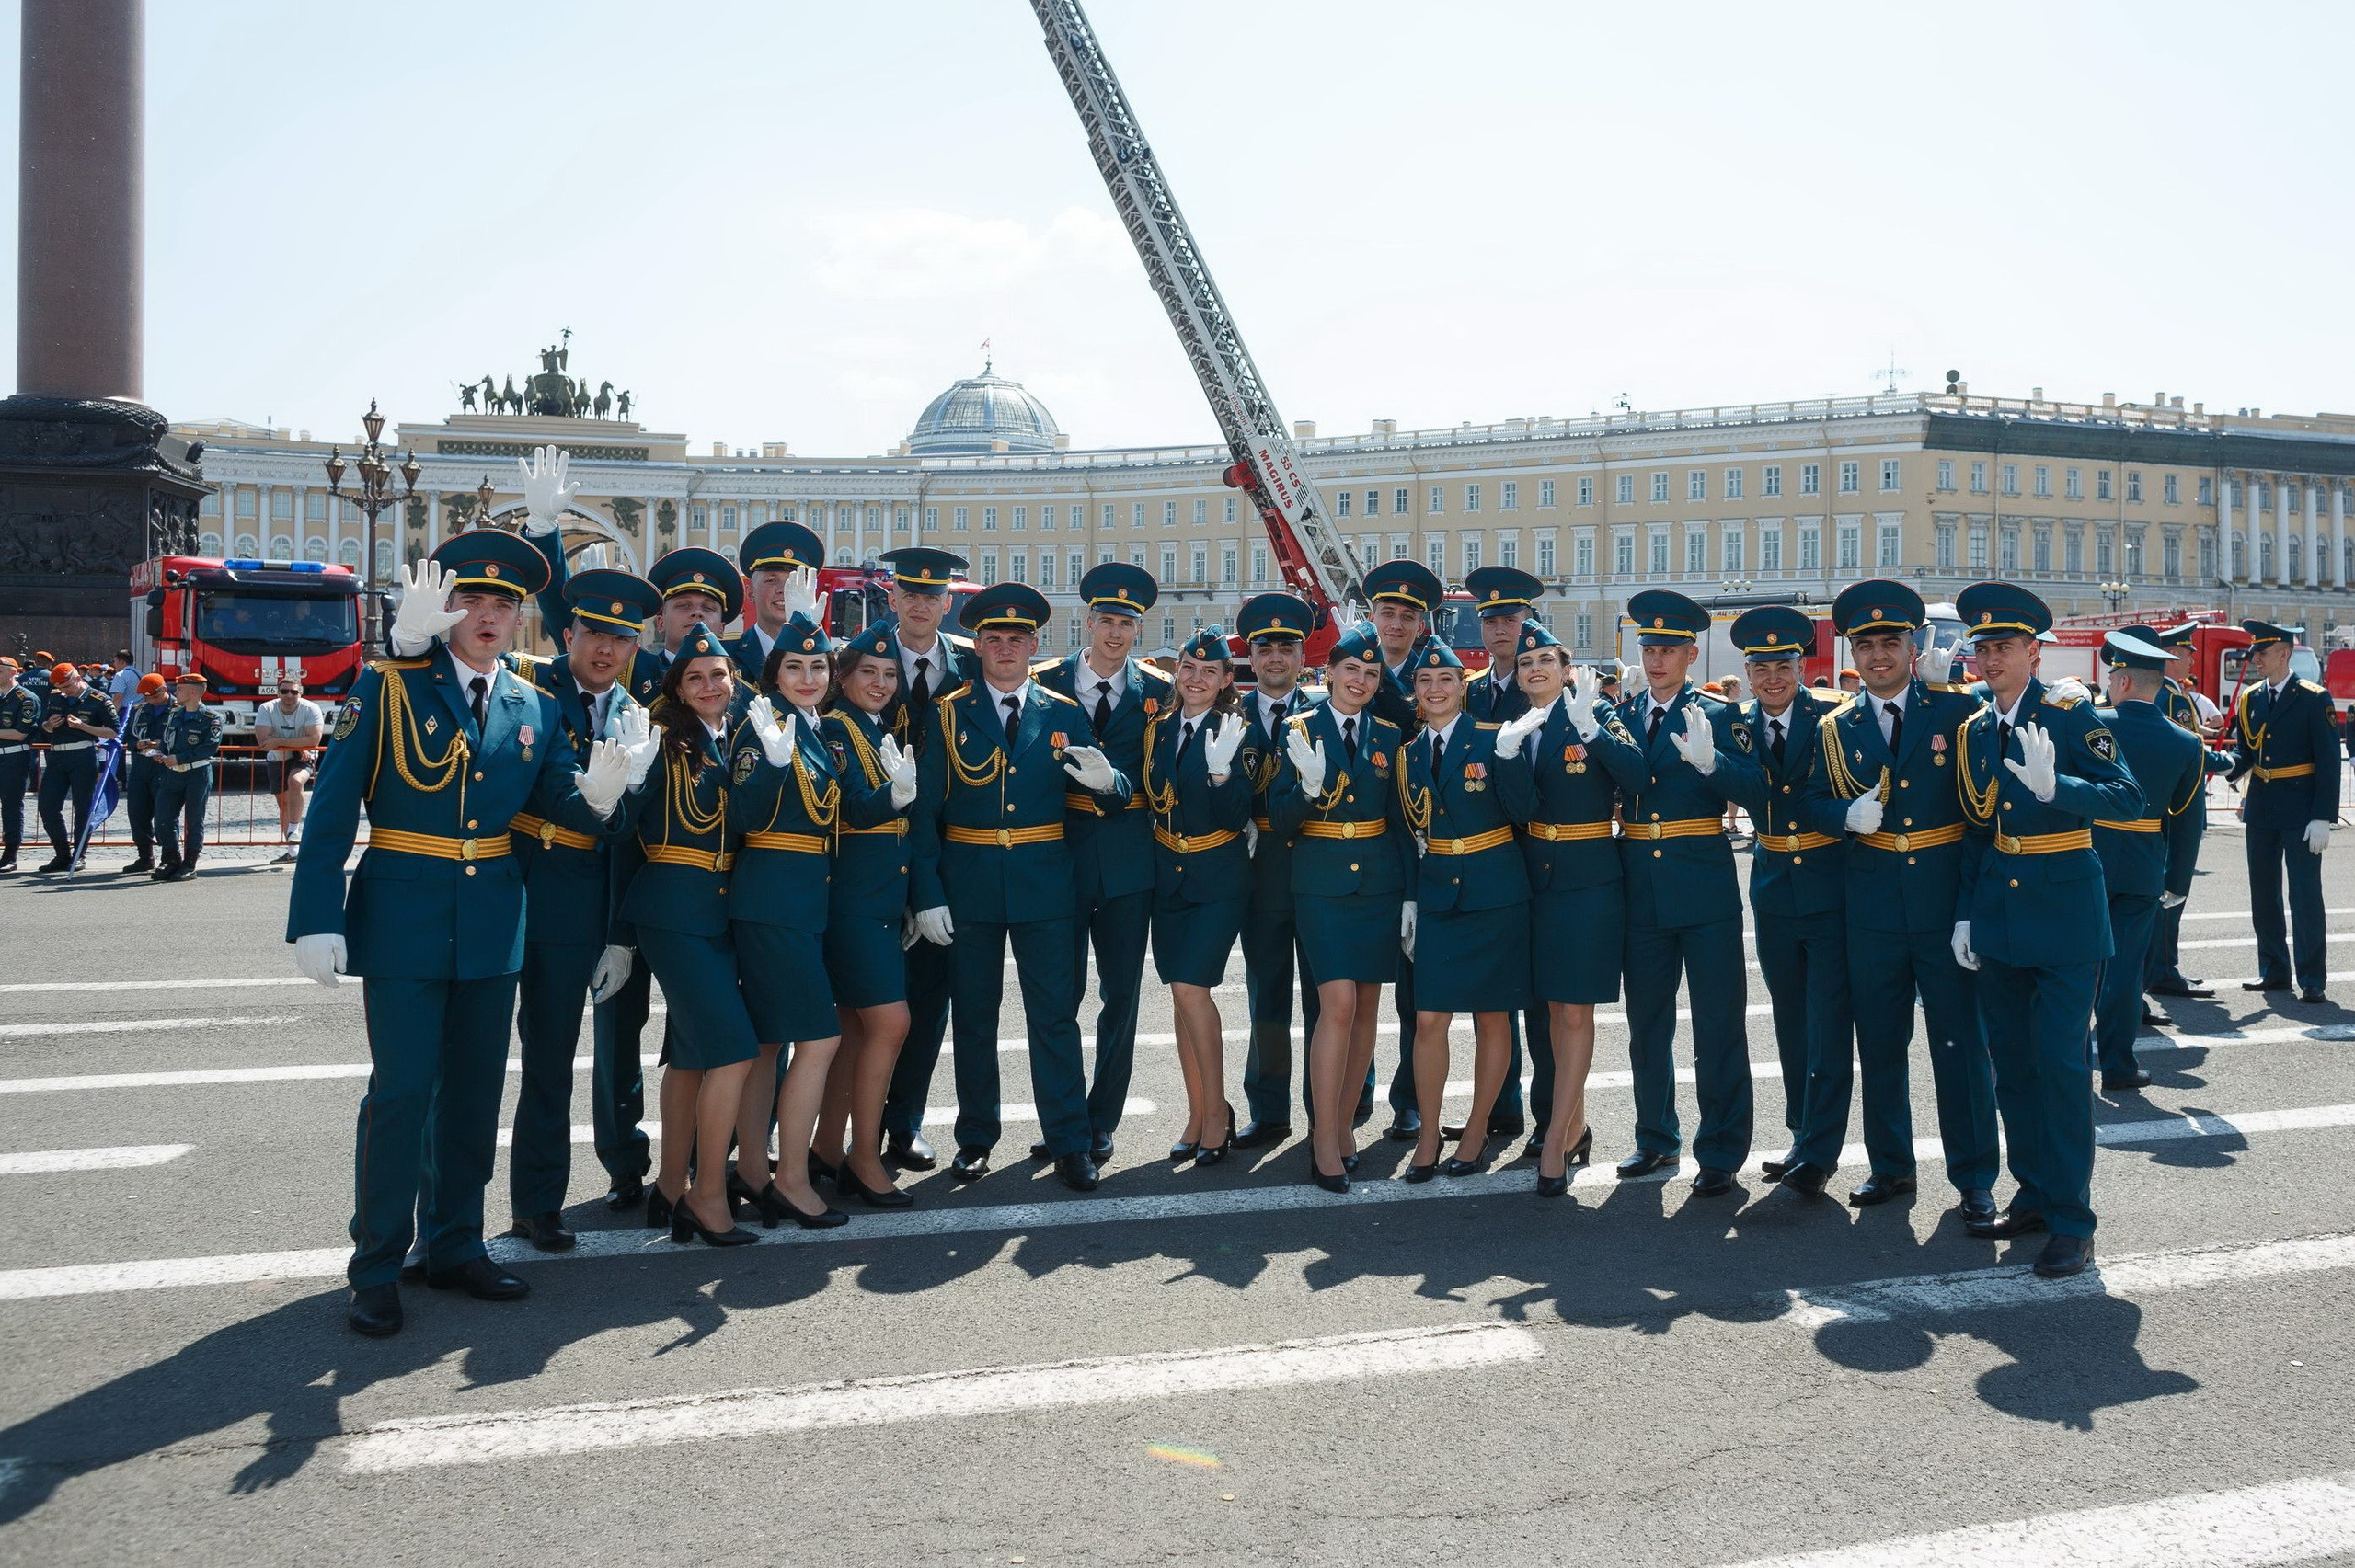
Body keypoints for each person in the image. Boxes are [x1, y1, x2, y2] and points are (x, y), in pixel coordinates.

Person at [287, 530, 634, 1338]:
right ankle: (376, 1264)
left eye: (503, 604)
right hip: (404, 914)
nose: (488, 615)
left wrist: (605, 798)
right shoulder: (390, 686)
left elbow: (555, 803)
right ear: (446, 611)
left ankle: (455, 1242)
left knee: (475, 1096)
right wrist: (314, 917)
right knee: (403, 1095)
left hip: (493, 920)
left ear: (521, 621)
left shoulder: (535, 705)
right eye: (472, 600)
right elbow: (335, 806)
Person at [906, 582, 1130, 1192]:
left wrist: (1114, 785)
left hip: (1044, 884)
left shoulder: (1061, 711)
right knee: (975, 1017)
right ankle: (976, 1136)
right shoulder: (949, 711)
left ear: (1035, 644)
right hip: (969, 881)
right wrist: (926, 892)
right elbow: (926, 811)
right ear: (976, 644)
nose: (1005, 648)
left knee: (1055, 1017)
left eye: (1017, 638)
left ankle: (1070, 1140)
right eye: (994, 638)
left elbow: (1092, 792)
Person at [1950, 581, 2142, 1279]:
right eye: (1983, 646)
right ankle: (2033, 1192)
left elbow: (2127, 796)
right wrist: (1968, 911)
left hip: (2063, 915)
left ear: (2035, 652)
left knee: (2062, 1071)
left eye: (2004, 646)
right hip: (2001, 914)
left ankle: (2072, 1220)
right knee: (2014, 1068)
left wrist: (2057, 788)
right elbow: (1977, 830)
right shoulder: (1976, 728)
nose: (1991, 656)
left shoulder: (2067, 712)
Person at [1801, 581, 1999, 1216]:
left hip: (1943, 902)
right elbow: (1808, 799)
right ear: (1852, 653)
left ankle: (1974, 1177)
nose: (1879, 655)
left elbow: (1980, 815)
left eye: (1891, 641)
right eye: (1867, 644)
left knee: (1958, 1045)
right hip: (1875, 906)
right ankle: (1891, 1165)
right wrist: (1841, 815)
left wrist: (1970, 909)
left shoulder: (1957, 710)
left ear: (1914, 645)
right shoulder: (1837, 726)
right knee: (1881, 1043)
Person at [728, 611, 914, 1225]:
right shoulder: (777, 727)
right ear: (773, 673)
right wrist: (775, 764)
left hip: (806, 899)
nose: (808, 676)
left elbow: (848, 811)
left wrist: (892, 796)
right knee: (819, 1040)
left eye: (815, 665)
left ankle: (759, 1169)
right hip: (780, 899)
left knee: (771, 1043)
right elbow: (749, 816)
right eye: (794, 666)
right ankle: (791, 1175)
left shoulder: (806, 725)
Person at [503, 567, 661, 1251]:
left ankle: (547, 1200)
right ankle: (511, 1206)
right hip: (526, 881)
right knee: (529, 1057)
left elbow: (635, 833)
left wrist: (621, 931)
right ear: (567, 633)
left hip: (593, 898)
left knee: (566, 1053)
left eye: (621, 638)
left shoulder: (636, 715)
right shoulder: (527, 688)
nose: (606, 649)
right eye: (595, 632)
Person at [600, 623, 760, 1249]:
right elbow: (620, 837)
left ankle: (669, 1184)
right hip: (671, 909)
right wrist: (631, 778)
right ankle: (708, 1195)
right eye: (694, 677)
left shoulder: (740, 737)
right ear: (676, 688)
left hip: (718, 911)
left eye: (718, 674)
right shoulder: (661, 742)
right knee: (735, 1049)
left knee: (692, 1054)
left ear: (732, 679)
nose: (709, 685)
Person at [1611, 590, 1765, 1196]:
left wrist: (1712, 767)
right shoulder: (1619, 714)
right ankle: (1655, 1136)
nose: (1656, 659)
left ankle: (1723, 1149)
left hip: (1702, 883)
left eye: (1668, 649)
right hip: (1640, 888)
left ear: (1691, 653)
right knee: (1647, 1023)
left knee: (1718, 1023)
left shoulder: (1721, 715)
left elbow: (1757, 789)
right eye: (1649, 648)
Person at [1267, 622, 1414, 1194]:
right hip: (1322, 883)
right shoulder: (1299, 729)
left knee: (1368, 1013)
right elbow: (1281, 820)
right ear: (1328, 673)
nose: (1359, 680)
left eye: (1371, 673)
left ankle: (1346, 1128)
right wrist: (1304, 787)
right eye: (1350, 669)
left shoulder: (1386, 735)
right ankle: (1322, 1138)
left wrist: (1410, 894)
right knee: (1339, 1007)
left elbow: (1401, 821)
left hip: (1377, 884)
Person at [1033, 562, 1170, 1168]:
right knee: (1058, 998)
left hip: (1127, 859)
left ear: (1140, 629)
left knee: (1121, 998)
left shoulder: (1158, 692)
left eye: (1127, 623)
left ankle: (1100, 1118)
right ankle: (1064, 1120)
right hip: (1058, 857)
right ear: (1087, 620)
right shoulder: (1046, 680)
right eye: (1107, 619)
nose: (1115, 633)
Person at [1716, 607, 1855, 1199]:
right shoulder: (1735, 723)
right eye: (1760, 666)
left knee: (1828, 1021)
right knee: (1790, 1019)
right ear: (1745, 672)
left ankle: (1821, 1149)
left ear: (1803, 666)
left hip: (1828, 881)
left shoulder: (1834, 717)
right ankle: (1802, 1133)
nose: (1771, 676)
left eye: (1782, 664)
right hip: (1773, 884)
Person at [1500, 623, 1642, 1194]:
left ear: (1565, 669)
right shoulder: (1515, 726)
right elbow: (1514, 807)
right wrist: (1507, 754)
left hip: (1588, 877)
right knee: (1549, 1012)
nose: (1534, 667)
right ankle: (1574, 1123)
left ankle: (1557, 1136)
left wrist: (1594, 729)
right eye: (1525, 659)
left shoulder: (1595, 714)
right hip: (1534, 878)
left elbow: (1637, 778)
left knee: (1574, 1011)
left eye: (1545, 659)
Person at [1397, 636, 1540, 1182]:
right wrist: (1410, 895)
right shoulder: (1409, 754)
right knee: (1430, 1019)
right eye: (1425, 682)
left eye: (1447, 680)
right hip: (1437, 893)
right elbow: (1406, 831)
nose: (1436, 689)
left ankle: (1477, 1131)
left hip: (1494, 892)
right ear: (1415, 692)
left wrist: (1509, 761)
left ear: (1464, 686)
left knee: (1491, 1015)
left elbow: (1524, 810)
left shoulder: (1493, 738)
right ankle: (1428, 1133)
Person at [873, 545, 979, 1173]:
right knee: (854, 1000)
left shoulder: (969, 664)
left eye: (931, 594)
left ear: (947, 602)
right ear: (892, 598)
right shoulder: (857, 657)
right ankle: (831, 1130)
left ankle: (903, 1123)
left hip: (941, 860)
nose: (920, 603)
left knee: (928, 999)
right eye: (908, 593)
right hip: (867, 851)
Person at [814, 623, 922, 1204]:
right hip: (851, 901)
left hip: (879, 899)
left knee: (855, 1031)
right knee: (890, 1023)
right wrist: (891, 798)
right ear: (843, 677)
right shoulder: (835, 729)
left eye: (888, 674)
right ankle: (863, 1157)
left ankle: (828, 1151)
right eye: (867, 673)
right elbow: (843, 810)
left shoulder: (877, 727)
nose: (880, 683)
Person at [1142, 626, 1253, 1163]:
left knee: (1191, 990)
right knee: (1180, 1000)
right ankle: (1196, 1109)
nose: (1197, 678)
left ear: (1227, 680)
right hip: (1169, 874)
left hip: (1217, 875)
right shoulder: (1159, 729)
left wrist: (1221, 773)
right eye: (1189, 667)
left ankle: (1217, 1115)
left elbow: (1237, 817)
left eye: (1210, 671)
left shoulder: (1238, 729)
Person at [2088, 630, 2205, 1091]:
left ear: (2122, 682)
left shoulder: (2092, 724)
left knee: (2077, 963)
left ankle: (2067, 1061)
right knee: (2125, 969)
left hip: (2086, 854)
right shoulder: (2186, 743)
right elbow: (2187, 819)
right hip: (2143, 864)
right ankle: (2117, 1066)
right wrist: (2177, 880)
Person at [1458, 563, 1548, 1151]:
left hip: (1539, 852)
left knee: (1542, 994)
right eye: (1489, 618)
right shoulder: (1469, 689)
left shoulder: (1542, 685)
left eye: (1510, 618)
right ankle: (1502, 1107)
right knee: (1492, 993)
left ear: (1527, 622)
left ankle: (1552, 1116)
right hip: (1488, 855)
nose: (1499, 629)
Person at [1361, 559, 1447, 1141]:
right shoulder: (1354, 659)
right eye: (1387, 612)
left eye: (1407, 615)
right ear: (1372, 616)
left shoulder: (1437, 668)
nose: (1395, 623)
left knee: (1417, 990)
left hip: (1418, 837)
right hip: (1361, 838)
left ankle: (1410, 1097)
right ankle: (1351, 1089)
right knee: (1354, 979)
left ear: (1422, 622)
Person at [1233, 591, 1323, 1147]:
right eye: (1265, 648)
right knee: (1267, 995)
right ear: (1252, 655)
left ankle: (1339, 1098)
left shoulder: (1327, 711)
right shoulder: (1229, 715)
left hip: (1319, 865)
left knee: (1330, 992)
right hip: (1259, 868)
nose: (1275, 658)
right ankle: (1268, 1109)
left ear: (1302, 656)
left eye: (1286, 647)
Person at [2223, 619, 2340, 1002]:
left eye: (2262, 652)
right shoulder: (2250, 698)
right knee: (2264, 894)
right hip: (2261, 808)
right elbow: (2246, 753)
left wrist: (2323, 815)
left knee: (2304, 895)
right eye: (2255, 652)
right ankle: (2273, 970)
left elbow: (2328, 761)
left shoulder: (2313, 697)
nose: (2255, 658)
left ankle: (2311, 977)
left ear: (2284, 653)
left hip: (2301, 809)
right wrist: (2219, 767)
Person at [2144, 623, 2221, 1002]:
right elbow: (2184, 749)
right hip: (2176, 807)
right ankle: (2162, 969)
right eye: (2187, 652)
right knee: (2171, 890)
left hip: (2167, 804)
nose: (2192, 657)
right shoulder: (2171, 699)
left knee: (2166, 891)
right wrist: (2230, 761)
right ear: (2172, 657)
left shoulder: (2173, 694)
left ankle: (2161, 966)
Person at [34, 661, 117, 873]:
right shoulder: (55, 697)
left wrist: (83, 726)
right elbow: (42, 727)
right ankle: (62, 854)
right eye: (61, 688)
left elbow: (113, 732)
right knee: (47, 805)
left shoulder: (98, 700)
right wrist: (48, 725)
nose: (65, 692)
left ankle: (79, 855)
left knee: (82, 808)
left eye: (68, 687)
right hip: (57, 755)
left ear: (78, 679)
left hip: (83, 754)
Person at [729, 519, 826, 681]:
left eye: (792, 582)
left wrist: (804, 630)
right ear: (750, 592)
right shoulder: (725, 655)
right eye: (771, 581)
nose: (784, 590)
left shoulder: (824, 659)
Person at [147, 672, 222, 882]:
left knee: (194, 820)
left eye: (179, 689)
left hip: (196, 773)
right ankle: (171, 859)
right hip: (172, 774)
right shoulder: (175, 714)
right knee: (163, 818)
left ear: (192, 692)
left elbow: (209, 748)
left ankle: (190, 863)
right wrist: (160, 753)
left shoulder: (211, 718)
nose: (175, 692)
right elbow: (167, 739)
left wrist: (179, 758)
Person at [254, 677, 325, 864]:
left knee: (296, 781)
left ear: (300, 693)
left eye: (294, 692)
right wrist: (296, 745)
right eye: (284, 691)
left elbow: (314, 740)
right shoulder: (267, 708)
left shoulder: (311, 709)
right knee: (283, 803)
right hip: (277, 757)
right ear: (278, 693)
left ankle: (294, 830)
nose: (289, 695)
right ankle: (292, 851)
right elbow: (263, 740)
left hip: (304, 756)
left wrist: (279, 741)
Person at [119, 673, 172, 875]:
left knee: (164, 815)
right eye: (147, 698)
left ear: (164, 690)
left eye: (154, 697)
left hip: (165, 768)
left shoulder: (178, 709)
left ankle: (168, 857)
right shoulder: (139, 710)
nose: (150, 701)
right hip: (141, 767)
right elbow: (127, 737)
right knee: (137, 813)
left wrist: (161, 744)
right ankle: (145, 856)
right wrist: (136, 744)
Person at [0, 658, 42, 872]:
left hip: (13, 758)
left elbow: (19, 733)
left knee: (11, 806)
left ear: (12, 672)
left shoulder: (25, 699)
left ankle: (10, 855)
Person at [105, 650, 140, 716]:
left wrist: (110, 719)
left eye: (114, 661)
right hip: (140, 713)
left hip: (126, 713)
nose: (114, 664)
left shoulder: (120, 675)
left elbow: (117, 700)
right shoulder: (139, 674)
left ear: (122, 662)